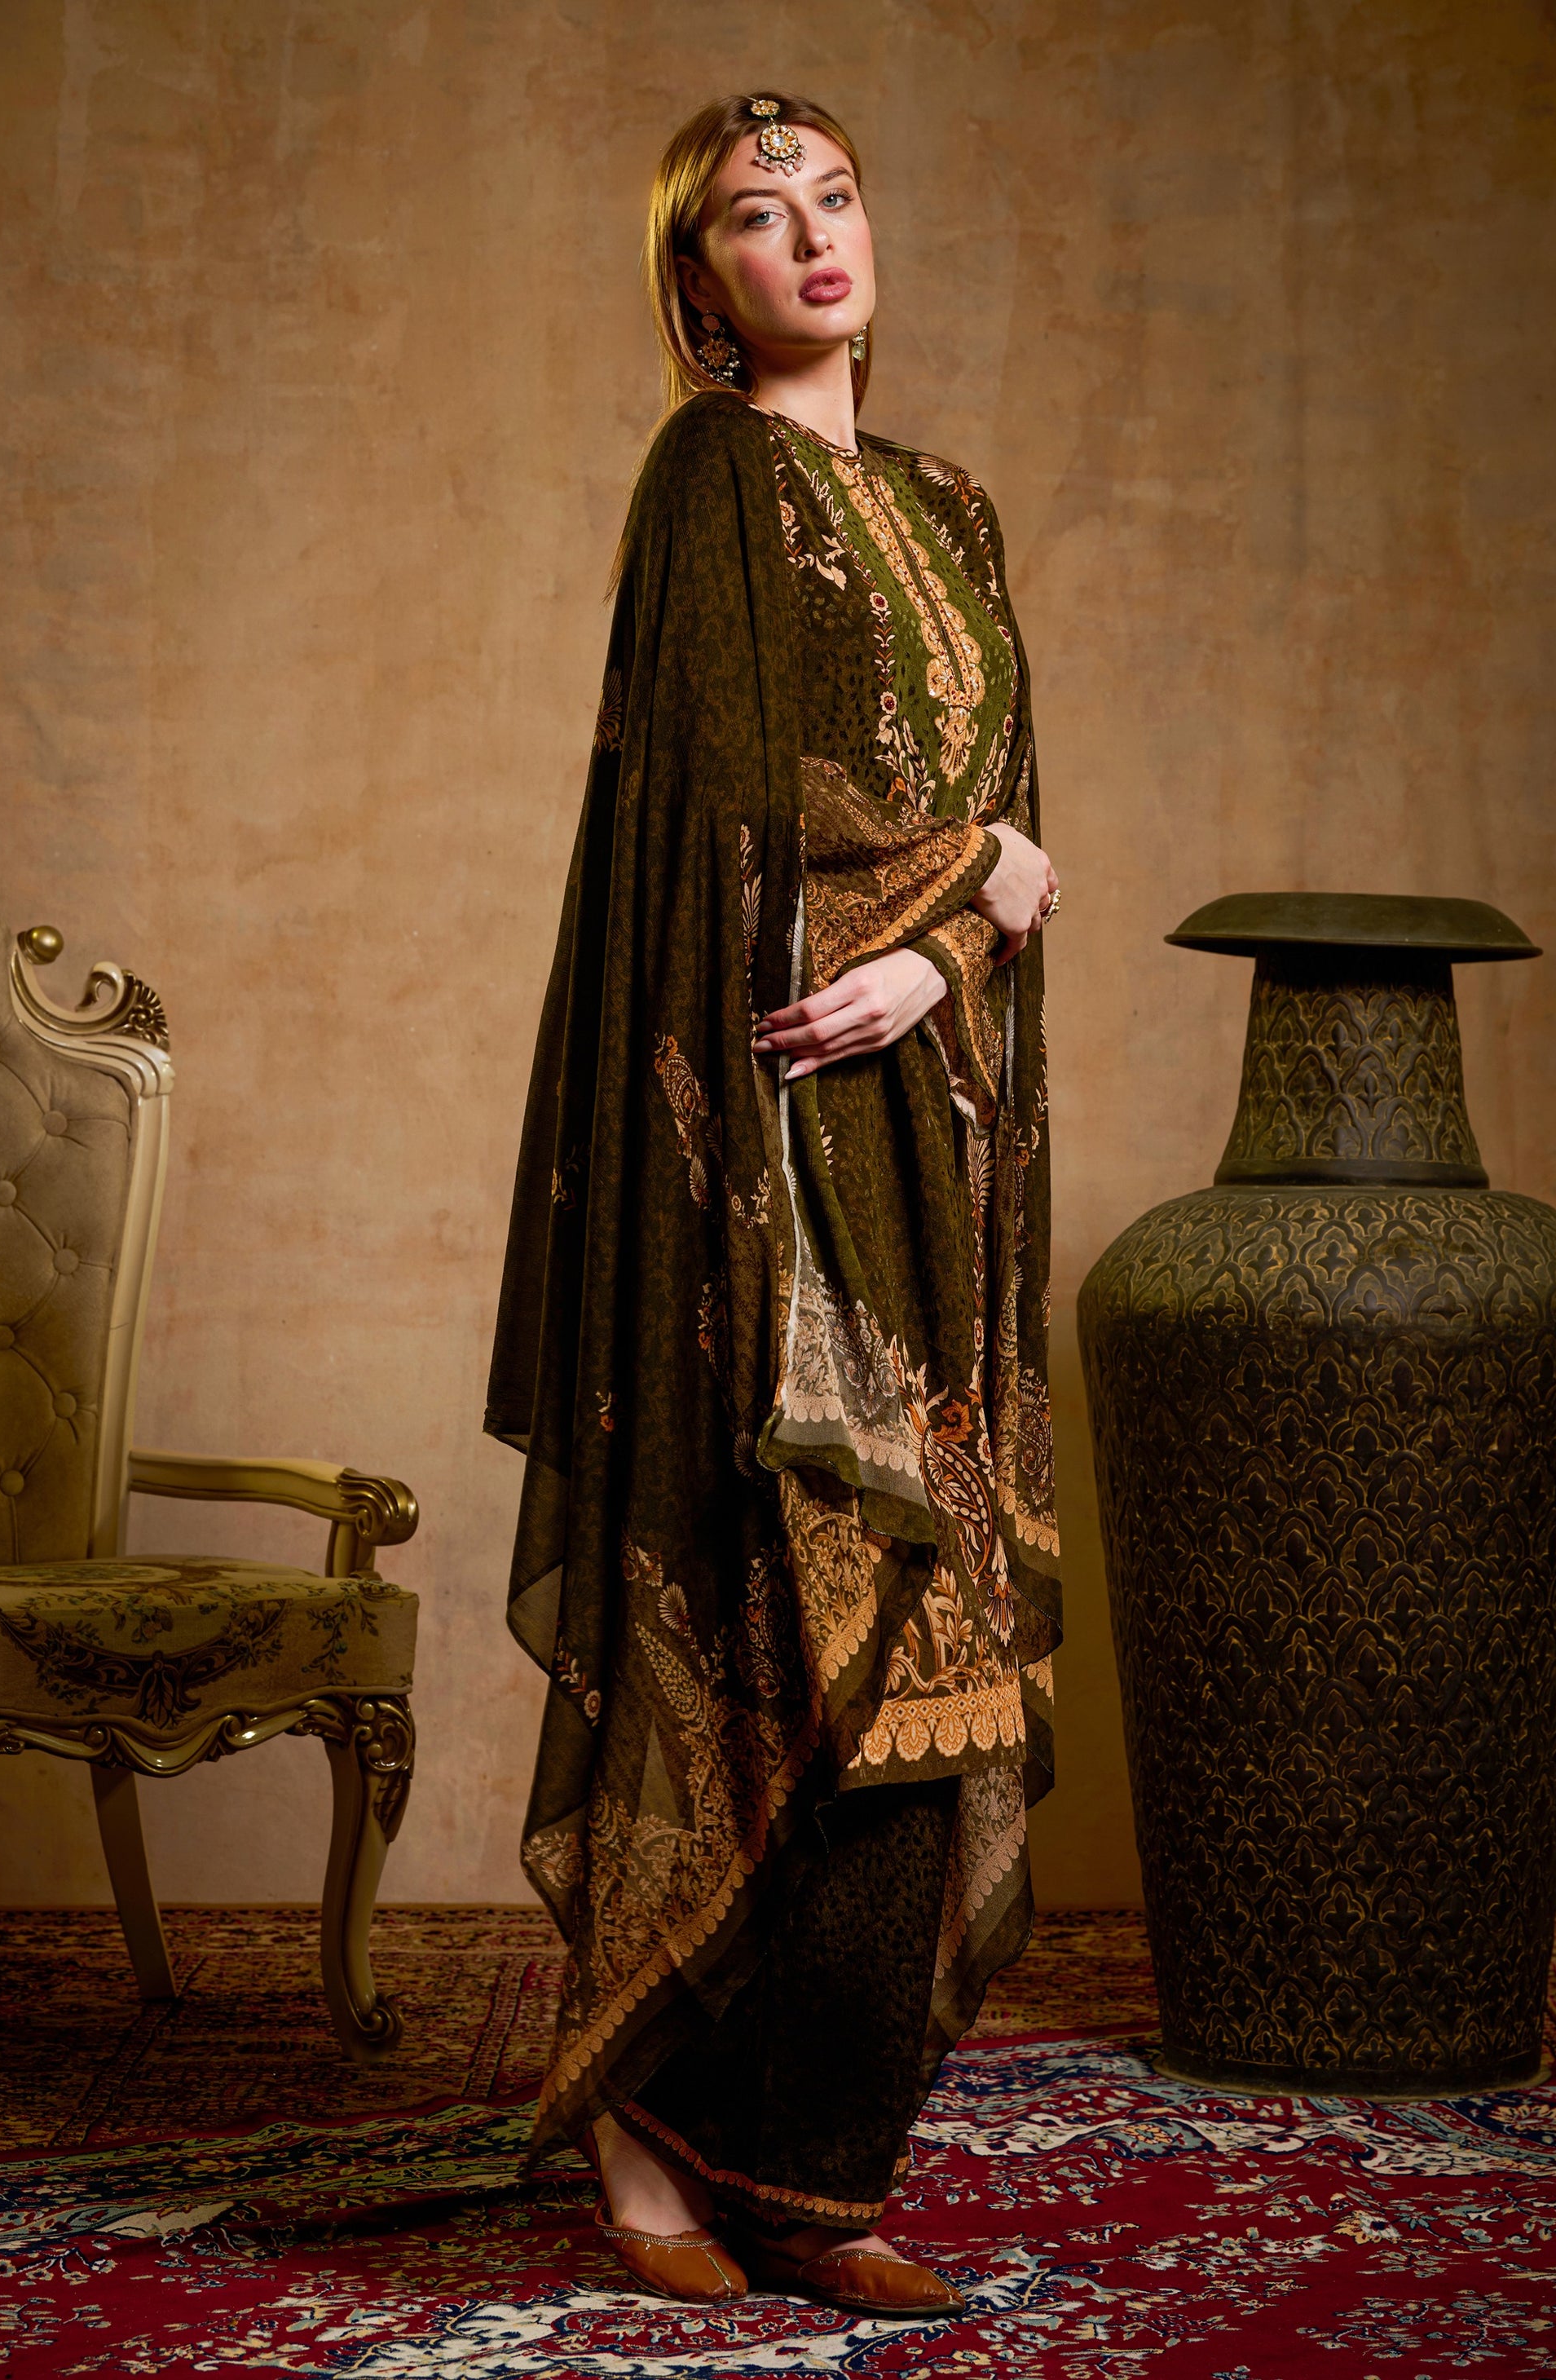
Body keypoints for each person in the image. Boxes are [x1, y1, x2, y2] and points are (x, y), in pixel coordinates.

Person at [485, 89, 1061, 2318]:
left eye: (834, 195)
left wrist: (955, 936)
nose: (812, 234)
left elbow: (1012, 843)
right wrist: (964, 882)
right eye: (755, 212)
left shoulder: (950, 505)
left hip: (933, 1126)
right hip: (773, 1140)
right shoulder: (711, 477)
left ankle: (807, 2169)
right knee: (777, 1620)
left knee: (939, 1667)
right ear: (696, 282)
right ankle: (652, 2126)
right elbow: (724, 824)